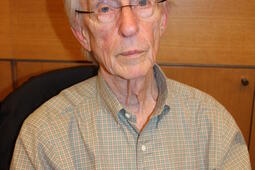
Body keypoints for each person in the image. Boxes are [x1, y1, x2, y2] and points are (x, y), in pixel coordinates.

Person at [11, 0, 251, 169]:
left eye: (143, 2)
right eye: (105, 8)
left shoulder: (215, 128)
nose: (129, 26)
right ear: (83, 34)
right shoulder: (43, 137)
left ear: (162, 19)